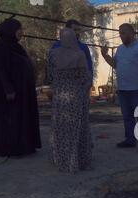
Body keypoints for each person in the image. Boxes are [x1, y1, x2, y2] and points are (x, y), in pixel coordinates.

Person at [0, 19, 41, 157]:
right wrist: (8, 89)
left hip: (22, 91)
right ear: (10, 30)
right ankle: (10, 149)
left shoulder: (17, 46)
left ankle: (24, 146)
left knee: (21, 119)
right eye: (19, 29)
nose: (21, 32)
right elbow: (1, 69)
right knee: (10, 121)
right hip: (9, 92)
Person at [48, 28, 92, 173]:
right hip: (76, 95)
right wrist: (84, 91)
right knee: (77, 127)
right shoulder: (79, 54)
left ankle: (62, 160)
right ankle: (77, 161)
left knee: (61, 128)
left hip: (59, 96)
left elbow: (50, 76)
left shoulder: (53, 53)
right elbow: (85, 78)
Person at [101, 23, 138, 148]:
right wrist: (105, 55)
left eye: (123, 32)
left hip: (137, 89)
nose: (121, 35)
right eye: (120, 33)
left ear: (132, 33)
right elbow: (115, 64)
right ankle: (130, 140)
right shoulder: (120, 49)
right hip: (123, 89)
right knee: (127, 117)